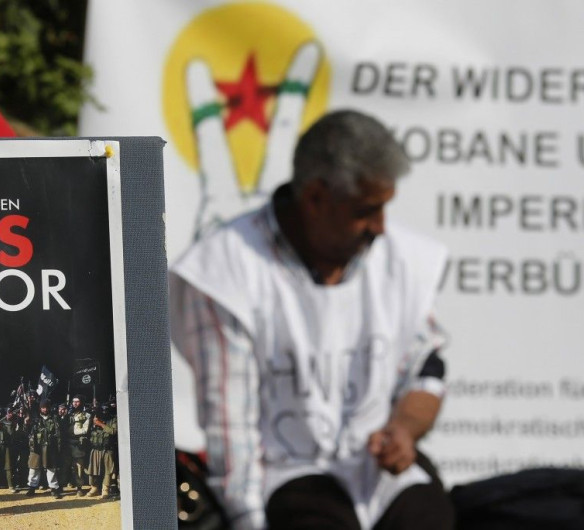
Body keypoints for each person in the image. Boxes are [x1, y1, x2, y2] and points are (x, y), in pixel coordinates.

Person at [170, 109, 454, 529]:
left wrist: (403, 430)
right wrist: (249, 520)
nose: (379, 227)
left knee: (430, 516)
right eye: (366, 210)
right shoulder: (227, 270)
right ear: (316, 198)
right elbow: (230, 422)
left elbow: (426, 367)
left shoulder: (396, 258)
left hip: (379, 472)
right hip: (286, 476)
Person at [26, 398, 62, 499]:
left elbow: (58, 434)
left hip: (50, 447)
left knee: (51, 468)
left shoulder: (54, 418)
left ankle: (54, 488)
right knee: (34, 468)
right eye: (42, 407)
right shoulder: (35, 418)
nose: (45, 409)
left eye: (46, 407)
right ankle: (32, 487)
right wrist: (27, 423)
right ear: (40, 408)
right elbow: (27, 432)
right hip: (36, 447)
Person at [87, 406, 117, 499]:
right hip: (96, 449)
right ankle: (94, 488)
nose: (104, 413)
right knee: (93, 470)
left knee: (108, 471)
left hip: (107, 449)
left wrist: (100, 424)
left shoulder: (113, 420)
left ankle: (105, 489)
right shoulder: (93, 419)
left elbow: (113, 431)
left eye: (105, 411)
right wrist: (93, 422)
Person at [68, 395, 91, 497]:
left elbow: (85, 430)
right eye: (73, 402)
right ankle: (69, 482)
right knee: (68, 465)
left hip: (78, 444)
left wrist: (74, 432)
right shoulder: (69, 414)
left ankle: (79, 487)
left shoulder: (86, 415)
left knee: (79, 467)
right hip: (67, 443)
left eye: (77, 402)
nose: (75, 404)